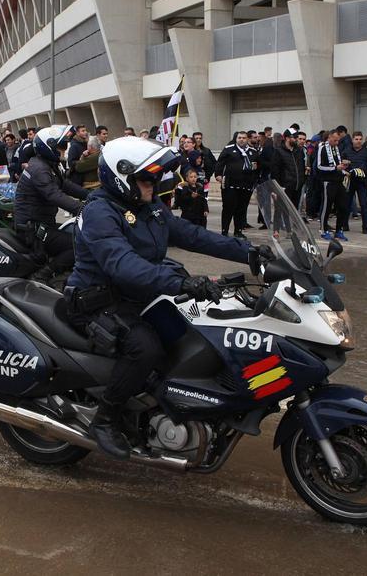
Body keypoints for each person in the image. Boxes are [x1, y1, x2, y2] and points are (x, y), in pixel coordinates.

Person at [65, 136, 257, 459]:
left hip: (136, 295)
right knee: (146, 348)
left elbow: (192, 235)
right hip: (97, 302)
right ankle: (106, 419)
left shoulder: (148, 207)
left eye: (154, 178)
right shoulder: (100, 212)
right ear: (121, 178)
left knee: (191, 333)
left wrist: (251, 254)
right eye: (145, 179)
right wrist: (183, 284)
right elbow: (124, 266)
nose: (152, 184)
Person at [14, 125, 89, 281]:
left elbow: (65, 185)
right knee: (78, 245)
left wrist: (93, 196)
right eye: (62, 146)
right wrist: (82, 208)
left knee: (76, 233)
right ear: (48, 147)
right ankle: (43, 275)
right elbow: (54, 195)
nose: (64, 149)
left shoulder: (47, 164)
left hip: (42, 223)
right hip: (32, 228)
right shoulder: (39, 169)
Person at [214, 131, 257, 238]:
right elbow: (220, 163)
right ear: (236, 139)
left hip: (246, 185)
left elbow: (257, 167)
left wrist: (254, 181)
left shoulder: (253, 152)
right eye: (239, 138)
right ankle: (224, 231)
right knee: (228, 208)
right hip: (230, 184)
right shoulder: (229, 149)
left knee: (241, 209)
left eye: (244, 138)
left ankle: (238, 231)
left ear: (247, 139)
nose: (241, 140)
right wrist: (218, 175)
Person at [344, 132, 367, 234]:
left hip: (362, 182)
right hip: (350, 182)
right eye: (356, 139)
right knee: (346, 204)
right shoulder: (347, 151)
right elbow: (342, 164)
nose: (358, 141)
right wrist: (350, 171)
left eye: (360, 139)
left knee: (363, 205)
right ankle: (345, 225)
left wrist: (363, 171)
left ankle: (365, 227)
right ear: (352, 140)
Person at [271, 128, 305, 212]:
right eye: (295, 137)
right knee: (282, 211)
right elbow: (275, 171)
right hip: (285, 187)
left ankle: (292, 225)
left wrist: (302, 180)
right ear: (287, 138)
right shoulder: (278, 151)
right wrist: (278, 187)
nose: (297, 139)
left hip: (297, 186)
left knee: (294, 211)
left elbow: (301, 167)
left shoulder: (299, 151)